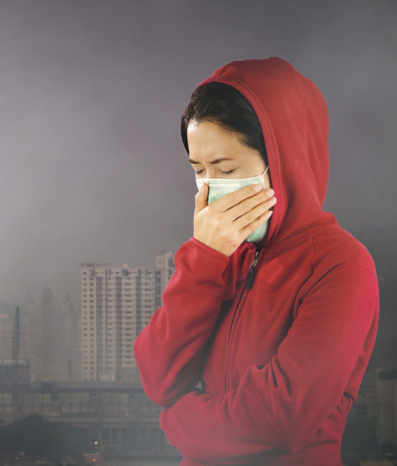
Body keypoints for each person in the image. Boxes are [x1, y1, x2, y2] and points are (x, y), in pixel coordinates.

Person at [133, 57, 379, 465]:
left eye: (226, 169)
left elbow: (278, 419)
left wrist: (178, 422)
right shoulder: (222, 252)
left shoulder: (342, 267)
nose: (211, 189)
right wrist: (203, 260)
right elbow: (158, 378)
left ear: (286, 163)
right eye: (199, 170)